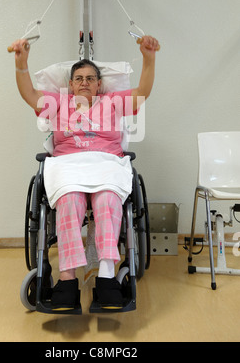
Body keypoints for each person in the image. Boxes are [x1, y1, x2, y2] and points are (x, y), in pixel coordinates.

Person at [9, 35, 159, 310]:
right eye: (79, 78)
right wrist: (21, 63)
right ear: (70, 84)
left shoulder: (112, 101)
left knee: (107, 201)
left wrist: (149, 59)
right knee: (69, 202)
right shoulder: (58, 103)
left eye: (91, 78)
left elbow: (142, 92)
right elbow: (30, 94)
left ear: (99, 84)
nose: (85, 82)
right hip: (68, 166)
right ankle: (68, 280)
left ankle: (106, 278)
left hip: (106, 163)